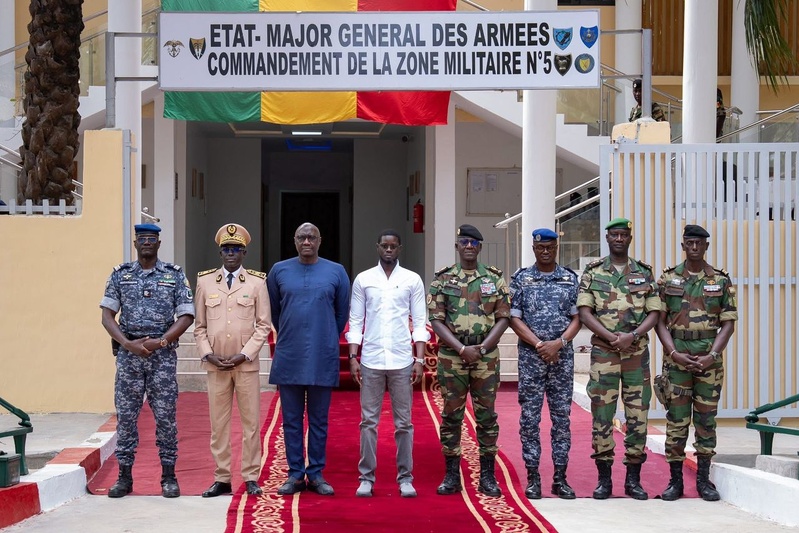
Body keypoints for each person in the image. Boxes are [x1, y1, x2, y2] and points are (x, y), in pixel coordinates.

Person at [100, 224, 195, 498]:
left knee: (165, 418)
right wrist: (128, 344)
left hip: (161, 356)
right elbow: (107, 316)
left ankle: (168, 477)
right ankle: (124, 477)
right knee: (126, 418)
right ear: (135, 243)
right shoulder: (121, 275)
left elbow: (186, 316)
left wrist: (161, 342)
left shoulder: (173, 276)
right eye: (142, 239)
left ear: (158, 243)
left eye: (151, 240)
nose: (146, 243)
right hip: (129, 357)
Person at [577, 218, 660, 501]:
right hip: (605, 354)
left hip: (636, 355)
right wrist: (611, 337)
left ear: (630, 238)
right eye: (614, 235)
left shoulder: (644, 272)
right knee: (602, 415)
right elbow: (585, 312)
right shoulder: (593, 272)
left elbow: (654, 312)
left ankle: (633, 480)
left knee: (638, 416)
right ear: (607, 238)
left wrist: (632, 335)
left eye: (624, 235)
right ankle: (604, 480)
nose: (619, 239)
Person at [655, 224, 737, 502]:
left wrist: (711, 356)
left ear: (706, 246)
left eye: (699, 243)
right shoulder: (668, 280)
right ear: (683, 246)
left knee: (705, 421)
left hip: (709, 361)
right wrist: (673, 352)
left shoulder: (721, 281)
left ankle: (703, 481)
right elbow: (659, 321)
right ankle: (675, 482)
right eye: (689, 242)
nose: (694, 247)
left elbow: (728, 325)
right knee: (676, 421)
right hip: (676, 359)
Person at [267, 222, 350, 496]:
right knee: (290, 420)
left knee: (318, 420)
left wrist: (324, 335)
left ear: (319, 240)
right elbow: (275, 311)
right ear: (294, 240)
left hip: (321, 355)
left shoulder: (336, 271)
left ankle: (315, 473)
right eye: (301, 236)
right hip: (289, 353)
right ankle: (294, 474)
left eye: (311, 237)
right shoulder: (279, 270)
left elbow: (341, 313)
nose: (306, 241)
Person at [428, 224, 510, 497]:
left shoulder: (494, 279)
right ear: (457, 246)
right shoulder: (442, 279)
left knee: (487, 416)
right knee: (452, 415)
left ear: (480, 247)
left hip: (485, 358)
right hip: (453, 358)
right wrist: (462, 349)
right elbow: (437, 321)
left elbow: (503, 317)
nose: (468, 246)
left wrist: (483, 348)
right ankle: (451, 474)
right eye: (464, 242)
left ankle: (487, 475)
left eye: (474, 243)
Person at [346, 229, 429, 498]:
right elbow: (356, 320)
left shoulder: (412, 280)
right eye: (384, 246)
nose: (389, 250)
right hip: (371, 359)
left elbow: (419, 320)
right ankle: (366, 478)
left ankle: (405, 477)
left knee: (404, 423)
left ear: (400, 248)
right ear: (377, 248)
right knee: (368, 422)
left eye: (393, 246)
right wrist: (353, 356)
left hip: (401, 359)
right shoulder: (364, 279)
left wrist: (419, 358)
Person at [194, 223, 271, 498]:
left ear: (244, 252)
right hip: (216, 365)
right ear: (220, 252)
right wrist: (207, 353)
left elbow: (264, 325)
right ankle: (222, 477)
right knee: (219, 425)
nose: (230, 254)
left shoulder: (257, 282)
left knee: (251, 423)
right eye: (226, 249)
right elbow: (199, 326)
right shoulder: (205, 282)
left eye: (236, 249)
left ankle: (251, 476)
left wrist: (244, 354)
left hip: (245, 364)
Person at [509, 228, 581, 500]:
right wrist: (540, 345)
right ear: (534, 248)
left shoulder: (569, 279)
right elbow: (514, 319)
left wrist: (558, 343)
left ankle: (560, 479)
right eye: (541, 247)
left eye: (551, 247)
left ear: (557, 247)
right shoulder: (522, 279)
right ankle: (533, 478)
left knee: (561, 420)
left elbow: (578, 317)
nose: (546, 251)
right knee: (530, 419)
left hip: (561, 358)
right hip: (531, 359)